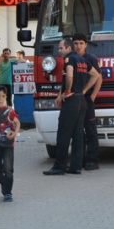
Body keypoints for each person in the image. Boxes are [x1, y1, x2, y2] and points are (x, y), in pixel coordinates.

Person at [43, 37, 100, 176]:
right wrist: (84, 91)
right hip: (82, 100)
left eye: (61, 48)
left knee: (63, 134)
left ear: (69, 48)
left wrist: (67, 92)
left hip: (72, 101)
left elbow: (69, 75)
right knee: (78, 135)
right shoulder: (82, 60)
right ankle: (75, 167)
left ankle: (59, 167)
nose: (59, 50)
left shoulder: (69, 59)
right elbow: (96, 75)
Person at [73, 33, 102, 170]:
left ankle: (93, 160)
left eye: (81, 43)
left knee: (90, 130)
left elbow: (98, 78)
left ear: (86, 44)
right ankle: (80, 160)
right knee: (77, 132)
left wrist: (92, 96)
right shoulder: (72, 59)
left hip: (87, 99)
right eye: (76, 43)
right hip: (74, 100)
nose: (78, 46)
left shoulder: (91, 58)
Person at [0, 85, 21, 202]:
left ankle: (8, 192)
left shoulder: (9, 111)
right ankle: (4, 183)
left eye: (3, 96)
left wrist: (15, 133)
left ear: (6, 97)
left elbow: (17, 123)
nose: (0, 99)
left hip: (8, 144)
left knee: (8, 169)